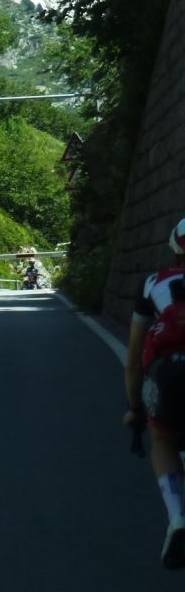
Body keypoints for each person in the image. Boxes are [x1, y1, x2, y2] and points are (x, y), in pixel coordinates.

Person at [125, 216, 185, 567]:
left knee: (162, 437)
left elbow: (134, 360)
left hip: (170, 376)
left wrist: (134, 408)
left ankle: (177, 515)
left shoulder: (153, 284)